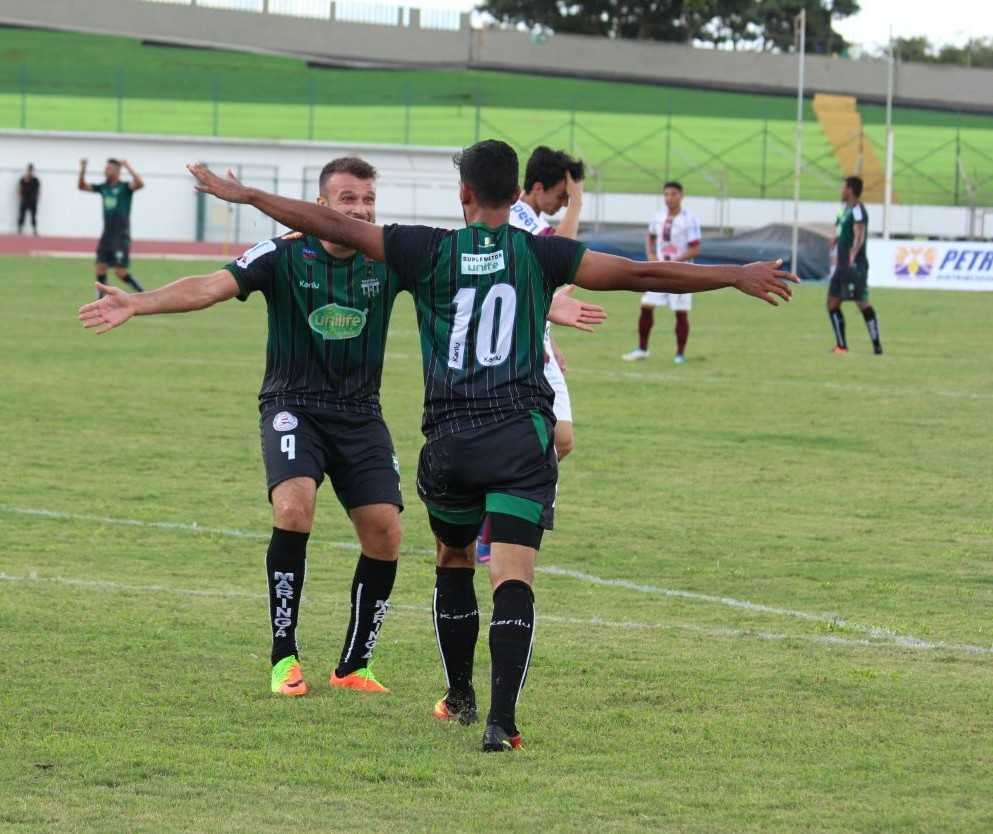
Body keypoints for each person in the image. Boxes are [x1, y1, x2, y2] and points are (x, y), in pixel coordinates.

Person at [187, 139, 797, 753]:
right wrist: (734, 273)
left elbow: (326, 222)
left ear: (464, 195)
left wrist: (250, 197)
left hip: (451, 441)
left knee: (453, 560)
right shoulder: (542, 252)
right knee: (513, 575)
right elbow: (639, 273)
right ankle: (501, 723)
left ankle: (459, 696)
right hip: (518, 436)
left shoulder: (428, 249)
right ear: (518, 195)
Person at [79, 157, 409, 699]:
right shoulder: (281, 253)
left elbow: (460, 272)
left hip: (361, 413)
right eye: (348, 200)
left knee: (386, 532)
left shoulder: (390, 256)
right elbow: (210, 285)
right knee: (294, 508)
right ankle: (285, 656)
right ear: (320, 206)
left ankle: (354, 664)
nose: (361, 210)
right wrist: (137, 302)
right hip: (293, 405)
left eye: (368, 199)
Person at [475, 147, 585, 563]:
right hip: (513, 347)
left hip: (535, 340)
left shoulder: (531, 219)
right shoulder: (520, 215)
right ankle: (497, 524)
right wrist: (579, 204)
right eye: (559, 195)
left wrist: (548, 336)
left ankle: (497, 519)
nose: (561, 204)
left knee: (562, 440)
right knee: (547, 438)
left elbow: (537, 286)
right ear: (535, 188)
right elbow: (561, 258)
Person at [622, 181, 702, 363]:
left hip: (681, 273)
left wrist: (675, 262)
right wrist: (650, 254)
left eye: (673, 194)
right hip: (658, 271)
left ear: (681, 196)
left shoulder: (690, 219)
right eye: (666, 194)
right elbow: (650, 235)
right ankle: (642, 349)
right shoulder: (658, 217)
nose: (669, 198)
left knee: (681, 312)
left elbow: (695, 248)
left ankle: (679, 354)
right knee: (646, 306)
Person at [827, 175, 883, 355]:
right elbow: (841, 227)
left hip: (854, 266)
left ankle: (877, 346)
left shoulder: (858, 210)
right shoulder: (844, 210)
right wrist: (835, 238)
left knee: (862, 302)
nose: (840, 190)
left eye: (843, 187)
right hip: (842, 266)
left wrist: (853, 253)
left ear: (850, 190)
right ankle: (841, 346)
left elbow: (859, 233)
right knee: (832, 302)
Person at [78, 157, 145, 293]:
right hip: (106, 235)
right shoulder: (103, 188)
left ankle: (141, 292)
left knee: (120, 272)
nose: (105, 171)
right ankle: (101, 298)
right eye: (105, 168)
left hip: (120, 236)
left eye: (108, 168)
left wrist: (127, 166)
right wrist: (83, 169)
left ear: (116, 171)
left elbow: (140, 184)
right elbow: (82, 186)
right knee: (100, 267)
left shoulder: (125, 188)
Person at [17, 164, 40, 235]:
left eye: (31, 170)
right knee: (22, 215)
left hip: (32, 200)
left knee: (33, 215)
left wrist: (36, 199)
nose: (30, 172)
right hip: (25, 199)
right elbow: (20, 189)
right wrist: (21, 198)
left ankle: (34, 230)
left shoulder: (36, 180)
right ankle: (20, 229)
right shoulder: (23, 179)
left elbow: (38, 191)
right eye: (29, 170)